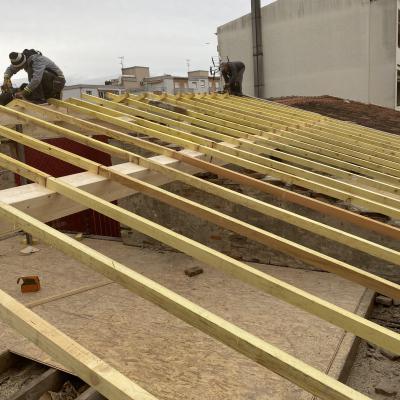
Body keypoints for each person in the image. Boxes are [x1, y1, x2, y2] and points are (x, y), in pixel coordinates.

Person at [1, 49, 65, 104]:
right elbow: (10, 69)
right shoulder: (20, 59)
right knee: (24, 87)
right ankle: (41, 96)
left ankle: (39, 99)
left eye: (21, 67)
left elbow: (36, 79)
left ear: (24, 62)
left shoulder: (36, 60)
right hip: (47, 83)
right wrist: (6, 79)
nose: (21, 68)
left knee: (31, 72)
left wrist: (23, 93)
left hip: (57, 82)